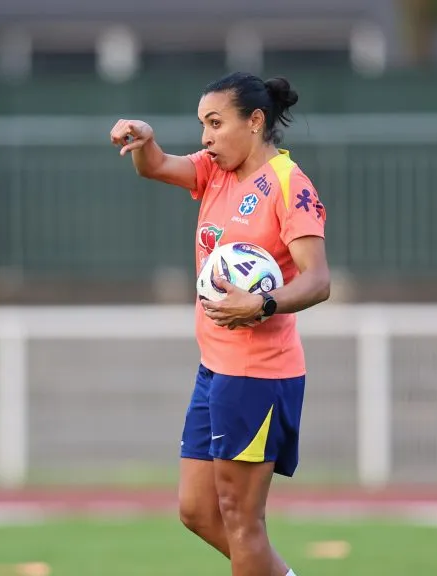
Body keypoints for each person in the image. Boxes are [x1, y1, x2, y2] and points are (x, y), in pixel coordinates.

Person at [110, 73, 330, 576]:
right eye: (202, 125)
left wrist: (261, 304)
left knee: (241, 519)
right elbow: (156, 166)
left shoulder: (288, 184)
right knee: (197, 511)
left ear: (254, 122)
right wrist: (145, 141)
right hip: (215, 369)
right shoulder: (215, 170)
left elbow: (318, 281)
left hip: (258, 374)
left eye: (215, 123)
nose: (206, 137)